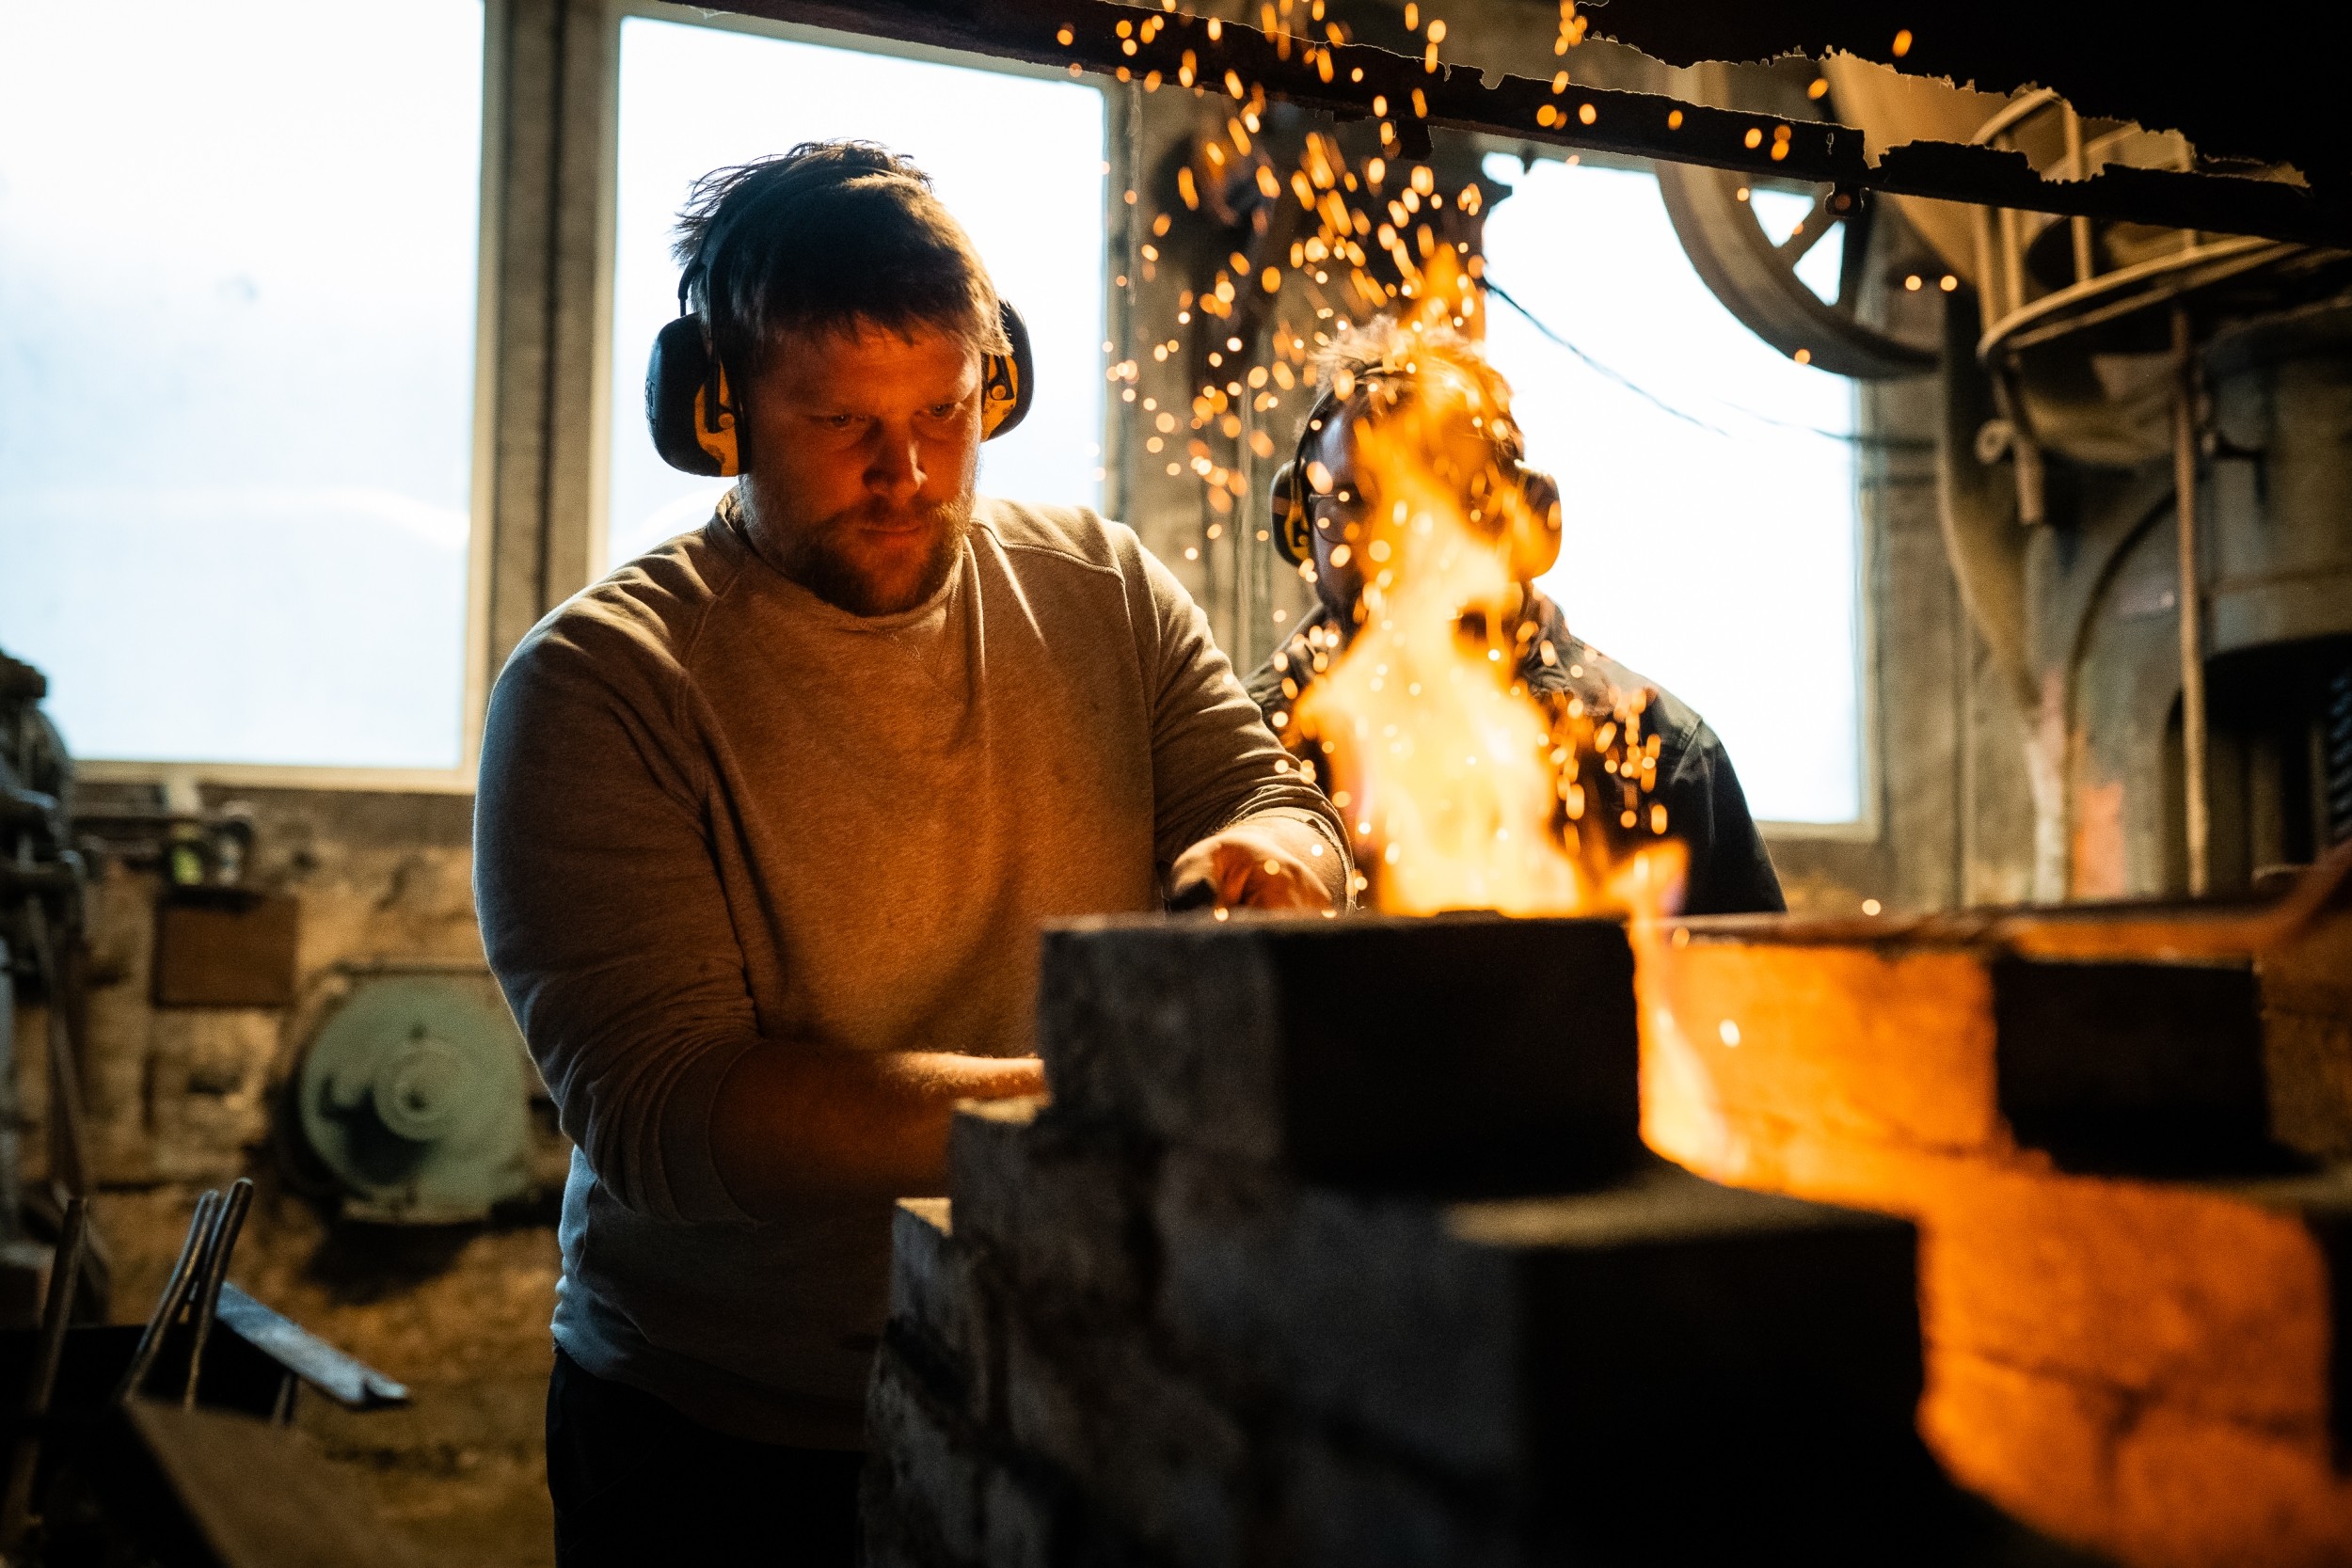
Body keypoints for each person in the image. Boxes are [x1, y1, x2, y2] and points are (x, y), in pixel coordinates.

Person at [473, 141, 1349, 1566]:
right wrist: (1091, 1103)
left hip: (1061, 1377)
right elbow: (678, 1109)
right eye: (837, 422)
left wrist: (1276, 846)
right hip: (725, 1440)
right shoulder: (599, 685)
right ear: (719, 411)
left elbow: (1272, 796)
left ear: (996, 382)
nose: (910, 471)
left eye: (946, 409)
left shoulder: (1104, 589)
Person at [1245, 315, 1783, 916]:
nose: (1399, 542)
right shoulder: (1246, 750)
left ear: (1523, 519)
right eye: (1355, 500)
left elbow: (1755, 989)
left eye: (1445, 495)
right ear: (1300, 520)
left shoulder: (1654, 753)